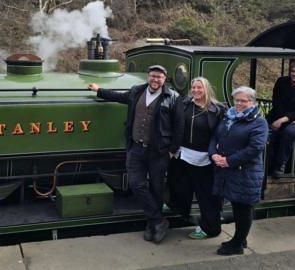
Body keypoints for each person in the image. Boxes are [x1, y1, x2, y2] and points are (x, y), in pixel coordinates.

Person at [88, 65, 184, 243]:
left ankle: (152, 224)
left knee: (156, 187)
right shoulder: (136, 91)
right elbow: (118, 97)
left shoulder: (174, 97)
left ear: (165, 79)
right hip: (136, 148)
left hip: (159, 151)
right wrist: (99, 90)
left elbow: (179, 126)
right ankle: (158, 220)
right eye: (153, 76)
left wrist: (172, 151)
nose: (156, 79)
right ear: (148, 76)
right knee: (136, 184)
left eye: (160, 77)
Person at [209, 86, 268, 255]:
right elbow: (215, 136)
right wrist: (213, 154)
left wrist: (228, 161)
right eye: (237, 100)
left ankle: (237, 244)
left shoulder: (259, 122)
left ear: (252, 102)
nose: (239, 103)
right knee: (236, 204)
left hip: (245, 172)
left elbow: (255, 148)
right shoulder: (229, 116)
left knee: (243, 207)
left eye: (244, 100)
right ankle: (240, 239)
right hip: (228, 169)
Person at [168, 77, 225, 240]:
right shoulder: (185, 104)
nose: (195, 90)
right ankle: (180, 213)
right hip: (183, 154)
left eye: (199, 87)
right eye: (193, 87)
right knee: (180, 186)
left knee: (206, 195)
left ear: (206, 89)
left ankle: (211, 228)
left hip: (205, 158)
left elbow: (222, 132)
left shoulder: (218, 109)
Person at [266, 59, 295, 177]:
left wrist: (283, 120)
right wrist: (279, 119)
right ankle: (266, 164)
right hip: (278, 114)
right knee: (266, 132)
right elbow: (276, 101)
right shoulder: (281, 82)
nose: (294, 74)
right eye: (292, 71)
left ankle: (280, 165)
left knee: (289, 132)